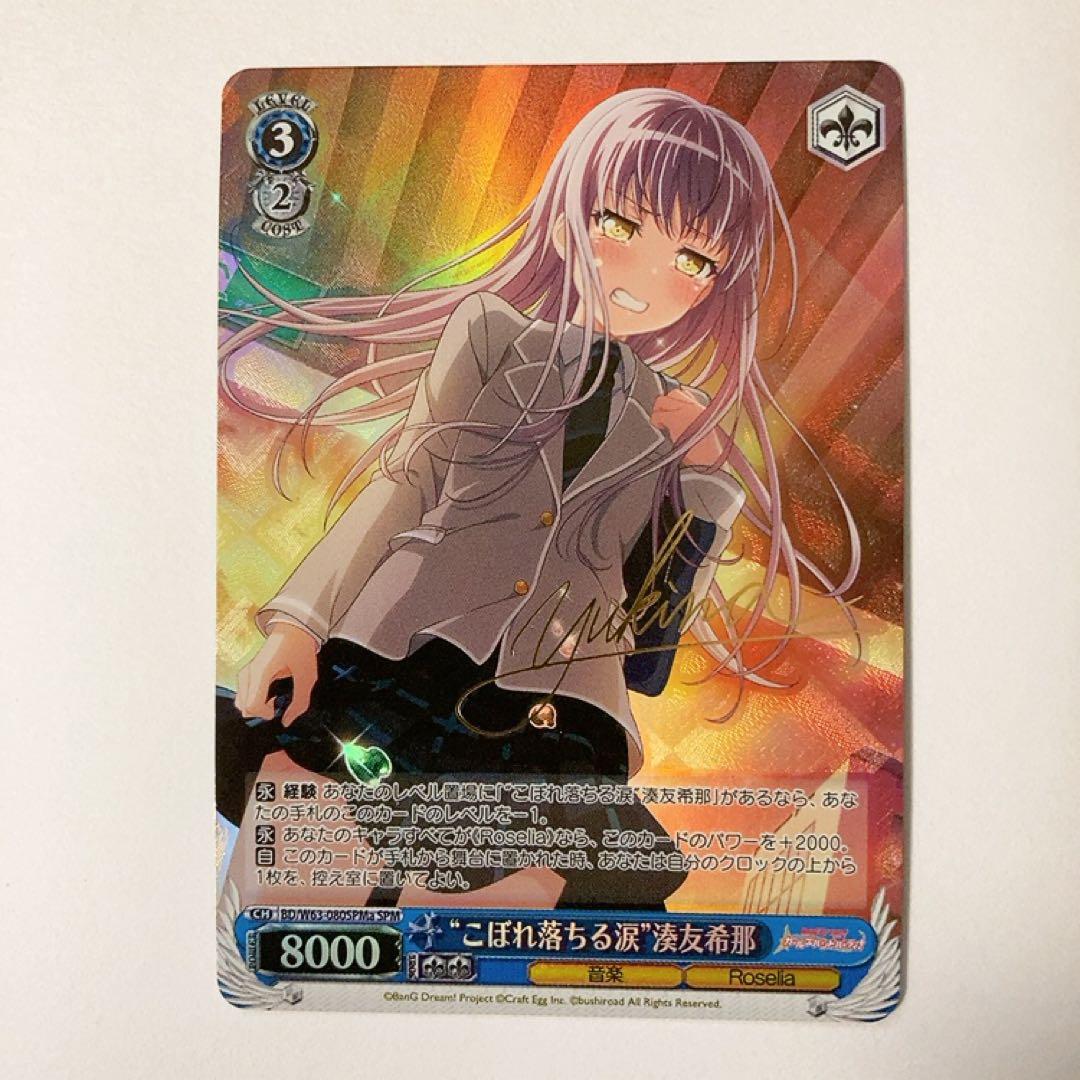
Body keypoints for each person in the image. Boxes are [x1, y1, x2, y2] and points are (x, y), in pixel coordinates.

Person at [216, 87, 859, 910]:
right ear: (567, 216)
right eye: (620, 224)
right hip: (400, 651)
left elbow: (649, 644)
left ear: (712, 288)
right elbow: (407, 482)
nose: (647, 275)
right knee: (297, 893)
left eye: (694, 261)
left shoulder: (675, 419)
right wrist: (300, 624)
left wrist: (702, 481)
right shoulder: (492, 334)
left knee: (469, 935)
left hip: (558, 709)